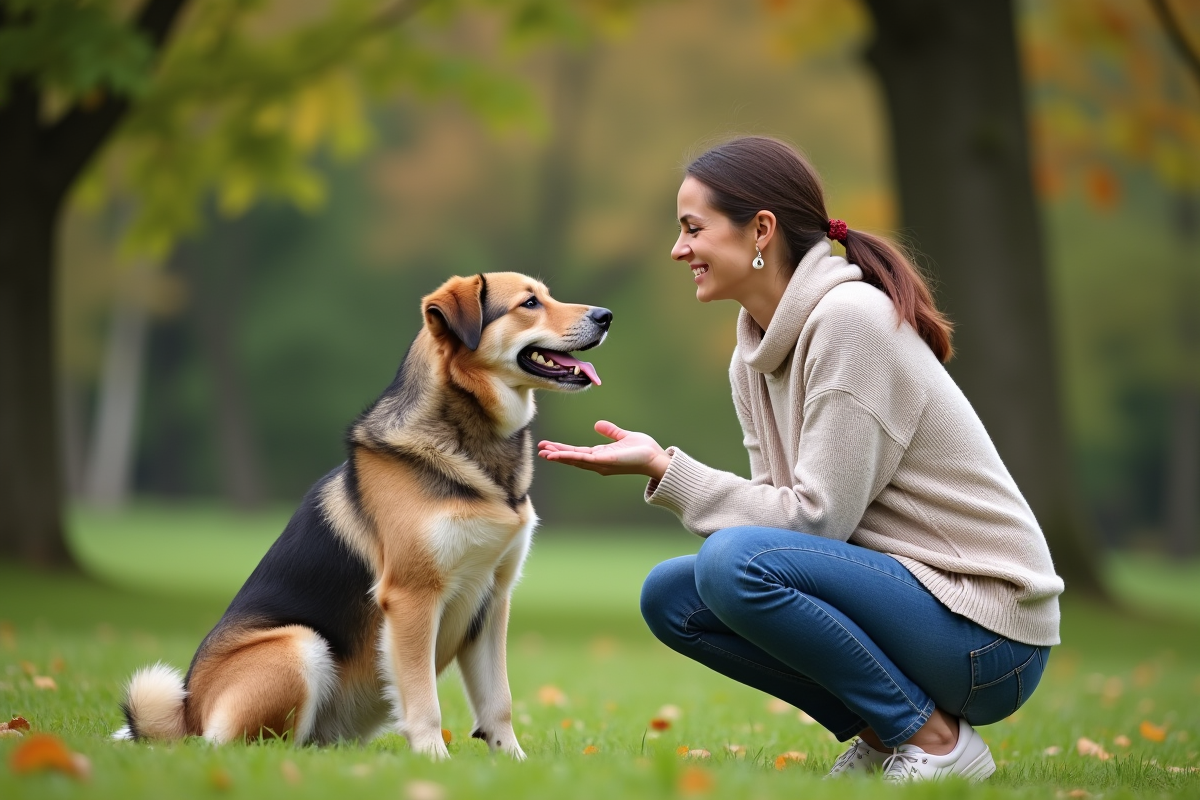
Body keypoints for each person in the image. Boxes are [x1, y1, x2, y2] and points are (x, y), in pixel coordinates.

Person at [537, 136, 1063, 782]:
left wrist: (664, 470)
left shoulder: (851, 322)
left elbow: (813, 524)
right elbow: (775, 528)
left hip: (989, 633)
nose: (679, 250)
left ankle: (937, 744)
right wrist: (662, 468)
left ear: (761, 230)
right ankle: (883, 733)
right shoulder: (751, 358)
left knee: (731, 564)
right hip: (916, 603)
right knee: (672, 597)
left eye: (692, 229)